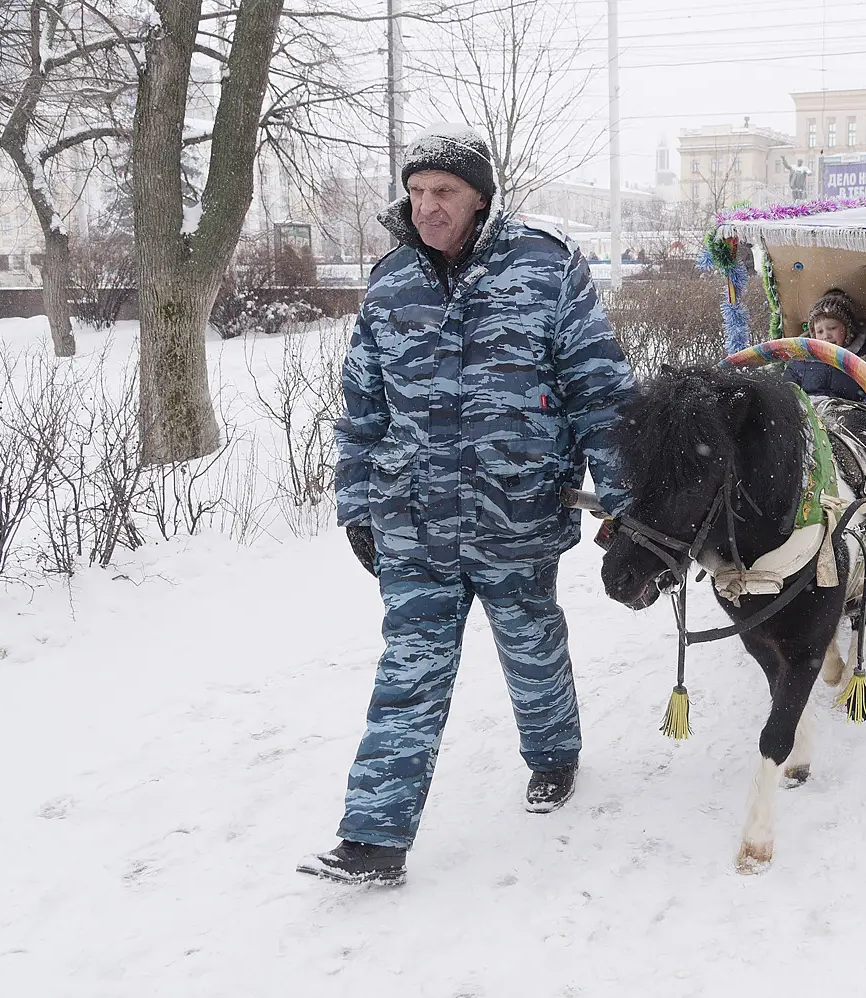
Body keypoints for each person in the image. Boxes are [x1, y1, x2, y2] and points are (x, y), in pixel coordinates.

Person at [297, 125, 635, 887]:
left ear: (481, 197)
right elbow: (361, 409)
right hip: (412, 519)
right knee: (410, 668)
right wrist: (357, 504)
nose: (427, 208)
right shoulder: (389, 285)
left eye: (443, 193)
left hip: (516, 512)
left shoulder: (546, 269)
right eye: (416, 193)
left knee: (530, 644)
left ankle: (553, 755)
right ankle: (373, 840)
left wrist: (626, 502)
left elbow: (601, 392)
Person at [785, 289, 866, 401]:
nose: (826, 336)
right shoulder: (802, 359)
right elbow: (788, 389)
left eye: (832, 328)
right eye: (820, 331)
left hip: (847, 412)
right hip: (809, 412)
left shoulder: (862, 361)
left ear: (848, 330)